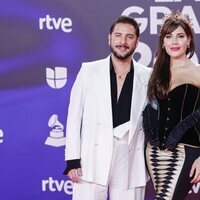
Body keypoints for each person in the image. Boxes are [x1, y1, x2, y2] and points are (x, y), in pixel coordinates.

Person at [63, 15, 152, 200]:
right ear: (109, 38)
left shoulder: (148, 76)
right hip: (91, 159)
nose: (123, 42)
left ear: (137, 42)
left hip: (130, 159)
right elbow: (74, 117)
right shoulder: (88, 71)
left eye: (129, 36)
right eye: (118, 35)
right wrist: (72, 159)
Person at [143, 10, 200, 200]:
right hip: (154, 154)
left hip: (186, 152)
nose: (174, 42)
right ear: (163, 41)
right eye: (169, 36)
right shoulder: (155, 73)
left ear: (189, 40)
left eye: (180, 36)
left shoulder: (198, 73)